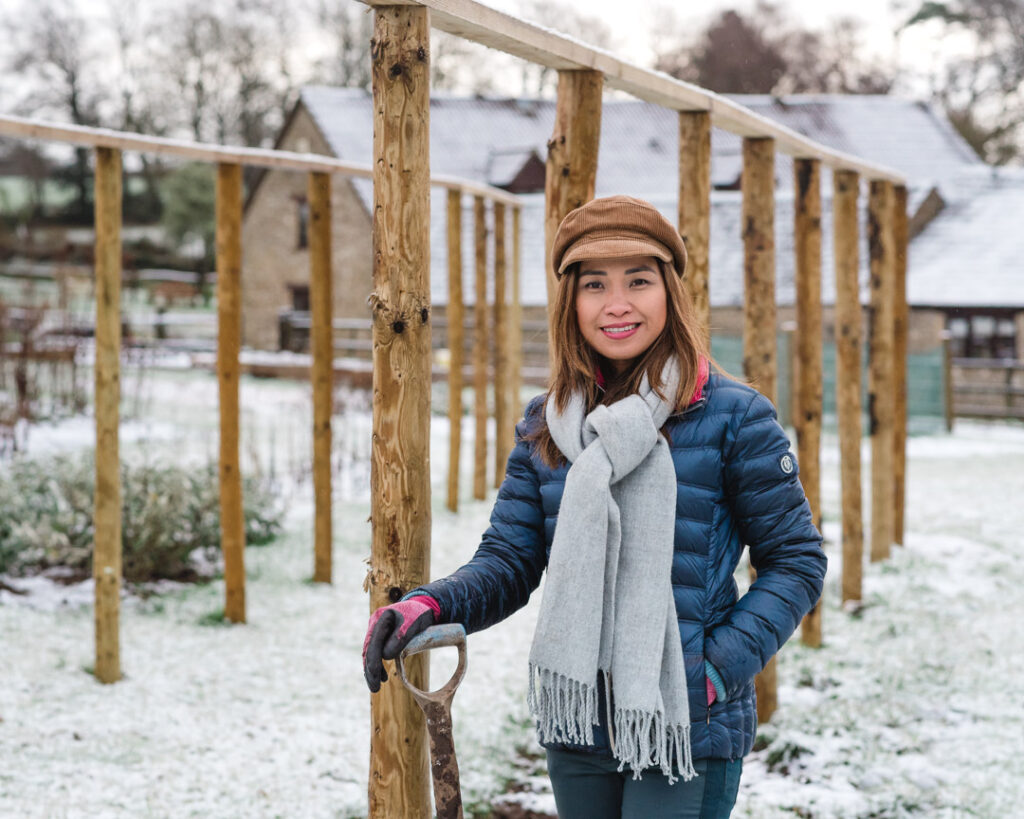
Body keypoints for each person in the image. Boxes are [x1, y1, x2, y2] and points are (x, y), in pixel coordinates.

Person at [363, 195, 827, 818]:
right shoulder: (548, 424)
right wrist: (429, 604)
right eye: (594, 285)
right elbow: (510, 560)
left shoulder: (734, 417)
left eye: (639, 280)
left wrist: (713, 671)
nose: (617, 304)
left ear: (669, 292)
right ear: (570, 303)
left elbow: (796, 561)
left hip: (684, 722)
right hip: (579, 717)